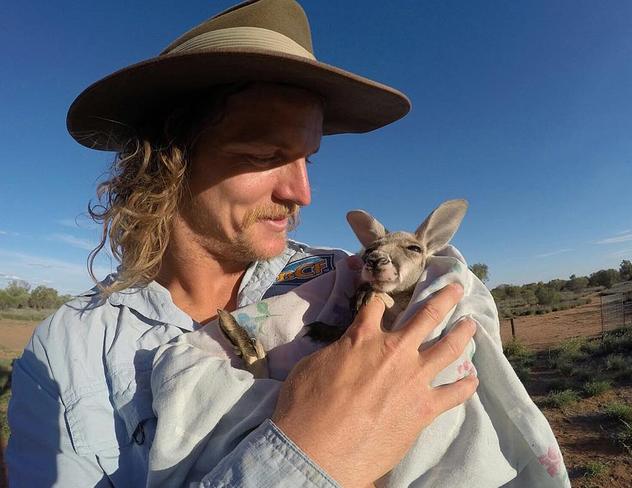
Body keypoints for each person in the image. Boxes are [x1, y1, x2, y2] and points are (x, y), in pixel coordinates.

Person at [6, 0, 478, 486]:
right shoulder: (72, 349)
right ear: (168, 162)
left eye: (306, 160)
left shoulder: (341, 277)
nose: (301, 194)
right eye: (263, 154)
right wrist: (312, 455)